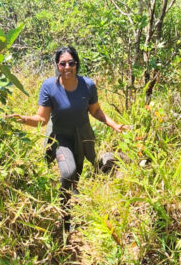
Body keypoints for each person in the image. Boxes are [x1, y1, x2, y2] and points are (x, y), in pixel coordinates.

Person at [8, 46, 125, 226]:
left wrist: (114, 124)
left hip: (82, 135)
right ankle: (65, 215)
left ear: (76, 64)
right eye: (62, 63)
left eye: (71, 63)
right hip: (61, 137)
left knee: (76, 174)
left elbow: (95, 111)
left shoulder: (88, 85)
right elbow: (42, 119)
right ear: (57, 65)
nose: (67, 67)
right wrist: (22, 119)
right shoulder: (49, 86)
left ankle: (74, 196)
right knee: (67, 172)